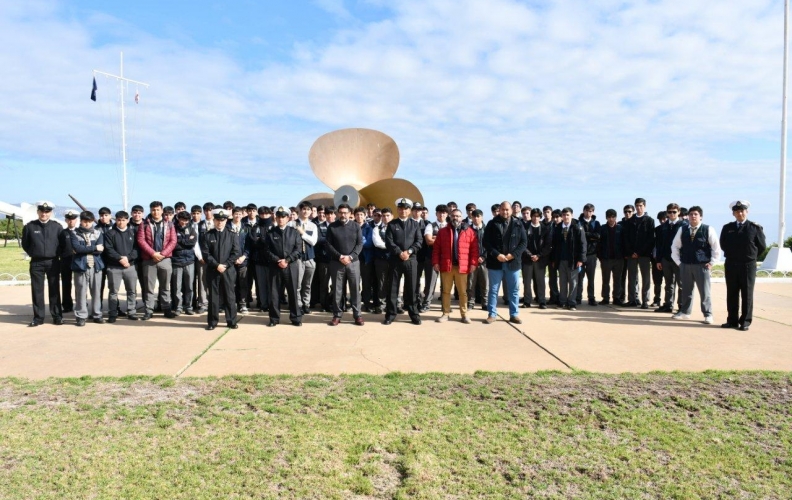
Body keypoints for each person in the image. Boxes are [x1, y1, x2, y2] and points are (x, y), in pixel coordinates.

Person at [720, 200, 766, 331]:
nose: (740, 213)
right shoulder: (727, 228)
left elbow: (761, 246)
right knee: (732, 293)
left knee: (747, 294)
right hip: (731, 264)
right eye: (737, 211)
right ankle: (732, 320)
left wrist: (750, 257)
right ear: (733, 213)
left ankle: (745, 321)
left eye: (742, 211)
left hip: (747, 265)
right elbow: (723, 244)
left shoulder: (754, 227)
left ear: (747, 212)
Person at [671, 206, 722, 324]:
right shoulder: (682, 229)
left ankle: (708, 314)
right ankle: (685, 312)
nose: (693, 216)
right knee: (686, 291)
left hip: (702, 265)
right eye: (691, 214)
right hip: (685, 265)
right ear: (687, 216)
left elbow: (716, 248)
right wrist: (679, 262)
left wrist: (712, 262)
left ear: (701, 216)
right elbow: (675, 246)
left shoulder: (708, 229)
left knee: (705, 291)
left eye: (696, 214)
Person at [482, 201, 527, 324]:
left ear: (511, 210)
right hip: (496, 262)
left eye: (507, 209)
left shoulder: (518, 224)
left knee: (514, 290)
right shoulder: (492, 224)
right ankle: (492, 314)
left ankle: (514, 314)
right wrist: (497, 255)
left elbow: (523, 243)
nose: (505, 212)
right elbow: (486, 242)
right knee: (493, 290)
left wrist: (513, 255)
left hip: (513, 263)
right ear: (499, 210)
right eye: (503, 209)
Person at [433, 209, 479, 323]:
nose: (455, 218)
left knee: (463, 292)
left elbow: (474, 250)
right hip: (447, 266)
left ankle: (464, 314)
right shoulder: (442, 231)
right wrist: (435, 262)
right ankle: (445, 313)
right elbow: (436, 249)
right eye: (453, 216)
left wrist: (473, 263)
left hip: (462, 267)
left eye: (458, 216)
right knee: (446, 291)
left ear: (461, 217)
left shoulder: (469, 231)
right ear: (450, 216)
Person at [22, 201, 64, 326]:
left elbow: (62, 244)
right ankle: (38, 318)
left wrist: (56, 255)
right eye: (42, 211)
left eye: (47, 212)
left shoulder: (57, 227)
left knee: (54, 290)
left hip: (53, 262)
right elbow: (25, 244)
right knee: (37, 291)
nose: (44, 214)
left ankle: (57, 316)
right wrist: (34, 252)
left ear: (51, 213)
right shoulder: (30, 227)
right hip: (37, 263)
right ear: (38, 212)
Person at [383, 198, 424, 325]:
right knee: (393, 288)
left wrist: (409, 251)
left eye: (405, 208)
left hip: (411, 260)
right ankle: (390, 314)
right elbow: (389, 242)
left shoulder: (415, 224)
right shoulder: (392, 224)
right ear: (397, 210)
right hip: (395, 260)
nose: (403, 211)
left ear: (409, 210)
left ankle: (414, 314)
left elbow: (419, 241)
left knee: (411, 289)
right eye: (400, 208)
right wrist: (399, 252)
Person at [136, 201, 177, 320]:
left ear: (162, 210)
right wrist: (153, 253)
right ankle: (149, 310)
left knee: (165, 286)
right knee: (149, 287)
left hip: (165, 259)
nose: (156, 212)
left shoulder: (169, 224)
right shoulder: (143, 224)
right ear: (150, 210)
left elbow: (173, 241)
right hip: (149, 260)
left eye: (158, 210)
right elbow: (141, 240)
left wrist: (163, 254)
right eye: (153, 210)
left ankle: (166, 309)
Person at [200, 208, 240, 330]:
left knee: (229, 296)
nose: (220, 222)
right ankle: (212, 322)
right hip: (213, 270)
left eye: (222, 220)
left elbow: (236, 252)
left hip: (228, 270)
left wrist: (226, 265)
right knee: (213, 297)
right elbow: (206, 254)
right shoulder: (207, 235)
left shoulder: (232, 235)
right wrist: (217, 265)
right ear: (214, 220)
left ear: (226, 220)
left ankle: (231, 321)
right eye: (217, 220)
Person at [325, 203, 364, 326]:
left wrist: (351, 256)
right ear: (337, 213)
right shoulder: (332, 227)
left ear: (350, 213)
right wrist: (340, 256)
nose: (343, 214)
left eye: (345, 212)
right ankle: (337, 315)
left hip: (353, 262)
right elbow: (328, 245)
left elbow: (359, 244)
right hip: (337, 263)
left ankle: (357, 315)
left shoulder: (356, 226)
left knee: (355, 289)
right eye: (341, 212)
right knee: (337, 290)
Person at [264, 207, 302, 327]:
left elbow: (298, 250)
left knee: (293, 293)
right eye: (279, 216)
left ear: (288, 218)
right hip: (275, 267)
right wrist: (277, 260)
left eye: (284, 216)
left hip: (291, 266)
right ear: (276, 217)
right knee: (274, 294)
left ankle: (296, 318)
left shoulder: (294, 232)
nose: (281, 219)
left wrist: (287, 260)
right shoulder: (270, 233)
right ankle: (274, 319)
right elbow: (267, 250)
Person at [103, 210, 140, 322]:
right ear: (116, 220)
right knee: (113, 291)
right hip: (114, 267)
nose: (121, 222)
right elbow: (109, 249)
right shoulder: (110, 233)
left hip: (130, 266)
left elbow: (137, 249)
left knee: (131, 290)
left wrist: (128, 259)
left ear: (127, 220)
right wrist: (120, 259)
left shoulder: (133, 232)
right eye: (119, 220)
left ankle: (131, 311)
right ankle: (113, 313)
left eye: (123, 220)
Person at [70, 211, 105, 326]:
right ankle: (81, 315)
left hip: (96, 266)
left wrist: (84, 249)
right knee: (80, 291)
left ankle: (97, 314)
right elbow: (77, 249)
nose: (87, 224)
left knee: (96, 291)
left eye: (89, 221)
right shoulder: (74, 233)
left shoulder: (98, 233)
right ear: (81, 221)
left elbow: (101, 250)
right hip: (80, 266)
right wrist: (94, 247)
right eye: (85, 221)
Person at [551, 207, 586, 311]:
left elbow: (583, 244)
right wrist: (554, 259)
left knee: (573, 282)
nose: (566, 217)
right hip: (561, 260)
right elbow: (554, 245)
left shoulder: (577, 227)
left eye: (568, 215)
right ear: (562, 216)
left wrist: (581, 259)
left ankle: (571, 303)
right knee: (562, 281)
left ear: (572, 215)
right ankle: (562, 302)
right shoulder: (557, 228)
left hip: (574, 260)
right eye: (564, 215)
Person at [288, 201, 318, 316]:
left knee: (308, 284)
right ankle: (298, 305)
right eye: (303, 209)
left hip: (310, 257)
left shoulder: (313, 225)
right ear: (299, 211)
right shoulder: (292, 224)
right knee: (297, 284)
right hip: (297, 259)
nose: (306, 211)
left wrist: (302, 233)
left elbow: (313, 242)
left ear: (311, 211)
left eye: (308, 209)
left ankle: (306, 303)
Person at [624, 198, 655, 308]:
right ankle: (632, 299)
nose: (638, 207)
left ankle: (645, 300)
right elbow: (626, 238)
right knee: (632, 277)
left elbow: (650, 239)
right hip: (631, 255)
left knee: (646, 278)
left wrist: (640, 252)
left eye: (641, 205)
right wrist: (631, 252)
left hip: (644, 255)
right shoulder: (629, 221)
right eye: (637, 205)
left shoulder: (650, 221)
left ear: (644, 206)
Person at [655, 203, 686, 313]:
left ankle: (682, 306)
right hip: (666, 259)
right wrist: (658, 260)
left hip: (679, 259)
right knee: (668, 283)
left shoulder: (684, 225)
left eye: (674, 212)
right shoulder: (663, 227)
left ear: (678, 212)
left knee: (681, 283)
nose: (672, 214)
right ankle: (668, 304)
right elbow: (659, 245)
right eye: (669, 212)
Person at [521, 208, 551, 309]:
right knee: (527, 281)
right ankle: (527, 301)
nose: (535, 218)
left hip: (540, 260)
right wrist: (530, 255)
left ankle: (542, 301)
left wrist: (539, 255)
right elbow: (522, 244)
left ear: (540, 217)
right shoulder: (525, 228)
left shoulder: (545, 229)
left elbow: (548, 246)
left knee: (540, 282)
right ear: (531, 216)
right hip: (527, 259)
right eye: (534, 216)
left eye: (538, 216)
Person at [421, 204, 448, 311]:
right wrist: (443, 241)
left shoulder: (449, 226)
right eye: (439, 212)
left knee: (446, 284)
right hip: (432, 257)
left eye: (444, 212)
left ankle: (445, 306)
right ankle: (426, 304)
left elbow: (452, 242)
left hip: (446, 259)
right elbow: (428, 240)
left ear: (447, 214)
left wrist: (435, 239)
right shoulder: (430, 226)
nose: (442, 214)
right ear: (436, 213)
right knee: (430, 282)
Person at [171, 210, 198, 316]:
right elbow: (173, 244)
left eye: (186, 220)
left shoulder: (191, 228)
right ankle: (178, 307)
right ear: (178, 218)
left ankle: (189, 306)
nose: (184, 222)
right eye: (182, 219)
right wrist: (185, 241)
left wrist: (180, 240)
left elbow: (192, 243)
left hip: (189, 261)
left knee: (189, 286)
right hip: (176, 261)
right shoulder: (173, 228)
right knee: (177, 287)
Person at [597, 209, 626, 305]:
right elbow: (599, 244)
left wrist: (623, 255)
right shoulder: (602, 228)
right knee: (606, 279)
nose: (611, 219)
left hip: (618, 259)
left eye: (613, 217)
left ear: (615, 217)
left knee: (617, 279)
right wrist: (600, 256)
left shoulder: (620, 229)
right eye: (609, 217)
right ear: (606, 218)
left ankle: (616, 298)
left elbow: (624, 243)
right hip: (606, 259)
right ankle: (605, 298)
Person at [249, 205, 274, 312]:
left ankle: (272, 304)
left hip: (271, 261)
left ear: (270, 214)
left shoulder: (274, 227)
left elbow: (274, 243)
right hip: (259, 260)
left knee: (272, 285)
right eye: (262, 214)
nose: (264, 216)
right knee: (261, 284)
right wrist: (264, 241)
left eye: (266, 214)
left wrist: (262, 240)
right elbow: (253, 241)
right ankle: (263, 305)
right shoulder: (255, 227)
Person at [575, 203, 600, 306]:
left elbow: (598, 236)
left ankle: (591, 298)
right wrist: (590, 236)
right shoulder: (578, 223)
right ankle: (578, 298)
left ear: (593, 212)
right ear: (583, 211)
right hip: (580, 255)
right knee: (579, 278)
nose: (589, 213)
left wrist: (585, 234)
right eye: (587, 210)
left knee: (591, 278)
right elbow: (577, 237)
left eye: (591, 211)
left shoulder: (596, 223)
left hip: (592, 255)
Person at [229, 207, 252, 314]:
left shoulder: (246, 228)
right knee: (231, 283)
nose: (238, 216)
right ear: (232, 214)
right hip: (230, 261)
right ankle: (231, 303)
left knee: (243, 283)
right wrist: (232, 259)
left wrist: (244, 256)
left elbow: (249, 244)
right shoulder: (227, 227)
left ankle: (243, 304)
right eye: (236, 214)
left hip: (243, 260)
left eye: (240, 214)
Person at [466, 209, 488, 311]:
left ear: (482, 217)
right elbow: (465, 246)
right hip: (472, 262)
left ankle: (485, 303)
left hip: (485, 261)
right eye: (474, 216)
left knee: (485, 283)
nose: (476, 218)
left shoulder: (487, 229)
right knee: (470, 284)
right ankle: (470, 303)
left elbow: (490, 245)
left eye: (478, 216)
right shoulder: (467, 230)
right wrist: (473, 258)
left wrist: (484, 256)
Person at [59, 209, 80, 314]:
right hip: (66, 261)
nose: (71, 221)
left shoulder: (80, 232)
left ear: (76, 220)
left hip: (78, 260)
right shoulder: (62, 233)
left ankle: (81, 304)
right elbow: (59, 247)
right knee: (66, 284)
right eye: (69, 219)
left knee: (80, 284)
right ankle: (67, 305)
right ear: (66, 220)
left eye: (73, 219)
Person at [371, 208, 392, 314]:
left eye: (388, 215)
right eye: (383, 216)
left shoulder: (396, 227)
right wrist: (392, 246)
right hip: (381, 260)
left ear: (392, 216)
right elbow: (377, 243)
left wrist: (391, 246)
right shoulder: (376, 229)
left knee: (393, 282)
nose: (385, 218)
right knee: (382, 282)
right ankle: (382, 304)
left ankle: (394, 304)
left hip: (394, 260)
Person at [650, 210, 667, 307]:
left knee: (669, 283)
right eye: (661, 219)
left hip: (668, 260)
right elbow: (654, 244)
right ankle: (657, 299)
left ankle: (668, 302)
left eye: (665, 219)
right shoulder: (656, 230)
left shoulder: (672, 229)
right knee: (657, 281)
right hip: (656, 259)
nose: (663, 221)